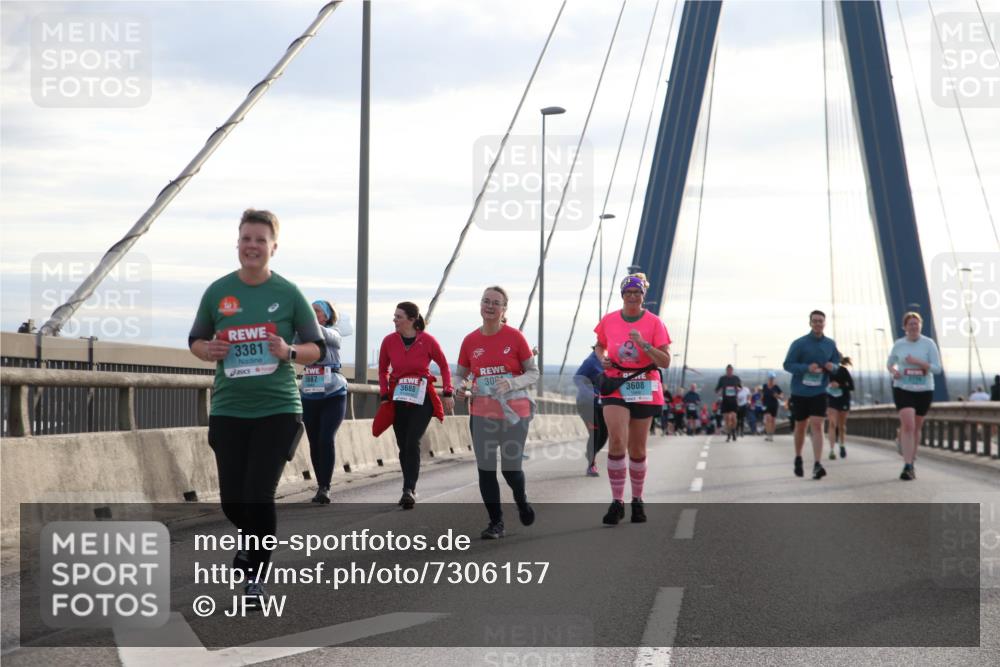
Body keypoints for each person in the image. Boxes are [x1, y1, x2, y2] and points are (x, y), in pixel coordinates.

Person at [188, 208, 326, 608]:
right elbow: (196, 339)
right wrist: (207, 349)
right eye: (246, 238)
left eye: (260, 240)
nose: (252, 246)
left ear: (273, 247)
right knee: (234, 501)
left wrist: (289, 350)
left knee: (259, 494)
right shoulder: (218, 292)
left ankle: (255, 575)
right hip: (230, 408)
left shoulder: (287, 293)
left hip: (278, 408)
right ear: (238, 243)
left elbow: (317, 349)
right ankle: (253, 544)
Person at [457, 286, 539, 539]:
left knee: (510, 470)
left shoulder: (515, 337)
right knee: (486, 468)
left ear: (504, 309)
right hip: (482, 412)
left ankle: (521, 501)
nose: (489, 306)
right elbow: (461, 374)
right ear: (480, 305)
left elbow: (533, 372)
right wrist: (461, 387)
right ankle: (496, 523)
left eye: (496, 303)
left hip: (515, 412)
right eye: (485, 301)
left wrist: (510, 383)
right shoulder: (470, 340)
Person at [594, 274, 671, 525]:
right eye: (628, 292)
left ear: (643, 296)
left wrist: (644, 345)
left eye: (636, 292)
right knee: (617, 441)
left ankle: (637, 499)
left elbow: (665, 361)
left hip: (644, 383)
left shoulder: (654, 323)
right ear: (622, 294)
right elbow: (599, 345)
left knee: (637, 449)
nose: (632, 296)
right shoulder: (609, 320)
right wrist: (602, 358)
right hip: (615, 383)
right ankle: (617, 502)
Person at [378, 301, 455, 509]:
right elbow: (383, 369)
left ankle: (408, 489)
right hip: (399, 397)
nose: (394, 320)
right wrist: (384, 394)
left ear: (411, 320)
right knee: (403, 445)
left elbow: (444, 366)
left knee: (412, 441)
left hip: (422, 398)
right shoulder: (389, 341)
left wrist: (448, 391)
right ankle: (407, 485)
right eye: (394, 317)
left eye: (398, 317)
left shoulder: (427, 341)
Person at [299, 300, 349, 504]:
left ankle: (325, 487)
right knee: (313, 441)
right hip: (310, 392)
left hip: (333, 392)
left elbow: (328, 337)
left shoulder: (334, 332)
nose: (312, 314)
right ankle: (320, 485)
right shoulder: (302, 334)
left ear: (326, 315)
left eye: (316, 311)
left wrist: (307, 321)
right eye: (310, 311)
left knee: (326, 438)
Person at [783, 310, 840, 480]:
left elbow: (837, 363)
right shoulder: (799, 343)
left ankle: (817, 464)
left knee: (817, 426)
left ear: (824, 323)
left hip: (820, 391)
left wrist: (833, 367)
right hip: (800, 392)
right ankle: (798, 457)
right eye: (814, 321)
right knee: (801, 426)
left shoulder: (830, 344)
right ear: (810, 323)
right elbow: (787, 365)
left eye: (820, 321)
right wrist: (806, 368)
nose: (817, 324)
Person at [887, 312, 942, 481]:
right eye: (910, 324)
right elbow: (890, 364)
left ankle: (911, 456)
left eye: (916, 324)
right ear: (904, 327)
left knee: (917, 426)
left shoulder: (929, 344)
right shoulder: (899, 344)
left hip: (924, 389)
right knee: (909, 425)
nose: (913, 326)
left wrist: (919, 362)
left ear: (921, 325)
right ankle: (908, 465)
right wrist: (894, 371)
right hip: (903, 388)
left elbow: (937, 369)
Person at [573, 348, 608, 477]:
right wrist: (590, 392)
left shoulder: (607, 361)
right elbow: (577, 378)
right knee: (595, 433)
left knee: (604, 434)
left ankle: (590, 454)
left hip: (602, 404)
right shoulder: (590, 362)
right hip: (586, 403)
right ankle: (591, 465)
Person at [825, 355, 855, 460]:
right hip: (831, 400)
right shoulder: (825, 371)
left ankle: (842, 445)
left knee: (841, 426)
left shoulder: (843, 370)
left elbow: (851, 386)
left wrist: (839, 385)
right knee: (832, 423)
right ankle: (832, 450)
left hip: (843, 399)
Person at [715, 365, 742, 441]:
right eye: (728, 370)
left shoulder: (736, 378)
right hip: (725, 401)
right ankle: (728, 434)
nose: (729, 371)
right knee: (727, 419)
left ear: (732, 370)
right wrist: (718, 391)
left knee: (733, 418)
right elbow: (717, 389)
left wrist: (738, 389)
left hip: (733, 401)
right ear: (726, 370)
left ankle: (733, 431)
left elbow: (740, 387)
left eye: (731, 370)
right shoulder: (722, 379)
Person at [761, 372, 784, 441]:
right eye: (770, 378)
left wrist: (778, 396)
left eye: (773, 378)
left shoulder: (776, 387)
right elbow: (762, 395)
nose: (772, 379)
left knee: (773, 421)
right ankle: (768, 434)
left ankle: (771, 435)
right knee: (768, 419)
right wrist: (761, 402)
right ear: (768, 378)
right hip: (766, 405)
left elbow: (782, 396)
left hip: (774, 405)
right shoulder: (764, 386)